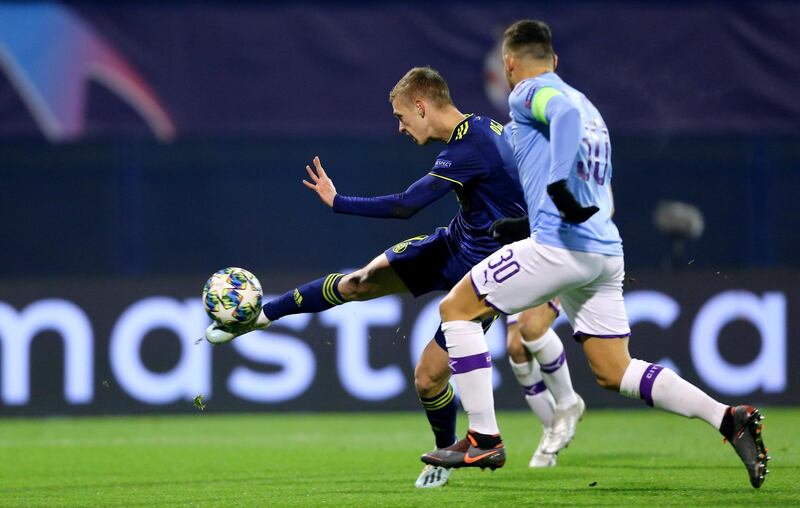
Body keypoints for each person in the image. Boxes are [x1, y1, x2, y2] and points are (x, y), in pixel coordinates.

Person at [421, 19, 769, 489]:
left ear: (509, 63)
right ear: (556, 59)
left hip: (561, 248)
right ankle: (729, 418)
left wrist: (558, 185)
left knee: (455, 309)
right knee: (614, 369)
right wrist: (529, 220)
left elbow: (559, 118)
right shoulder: (591, 110)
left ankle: (484, 436)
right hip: (603, 251)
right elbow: (591, 184)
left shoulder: (529, 94)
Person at [204, 66, 580, 488]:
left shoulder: (471, 145)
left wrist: (337, 201)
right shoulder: (478, 131)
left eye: (402, 116)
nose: (400, 127)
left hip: (485, 274)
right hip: (456, 244)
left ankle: (445, 451)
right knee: (359, 282)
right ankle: (260, 318)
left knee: (427, 376)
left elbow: (406, 205)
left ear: (422, 106)